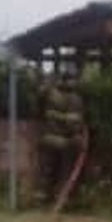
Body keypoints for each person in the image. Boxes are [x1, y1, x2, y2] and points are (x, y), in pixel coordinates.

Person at [38, 65, 86, 203]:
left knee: (47, 171)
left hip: (48, 139)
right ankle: (62, 198)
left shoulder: (50, 93)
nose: (73, 82)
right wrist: (77, 135)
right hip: (64, 142)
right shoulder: (75, 99)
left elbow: (40, 106)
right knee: (64, 172)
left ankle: (45, 198)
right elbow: (74, 123)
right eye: (72, 80)